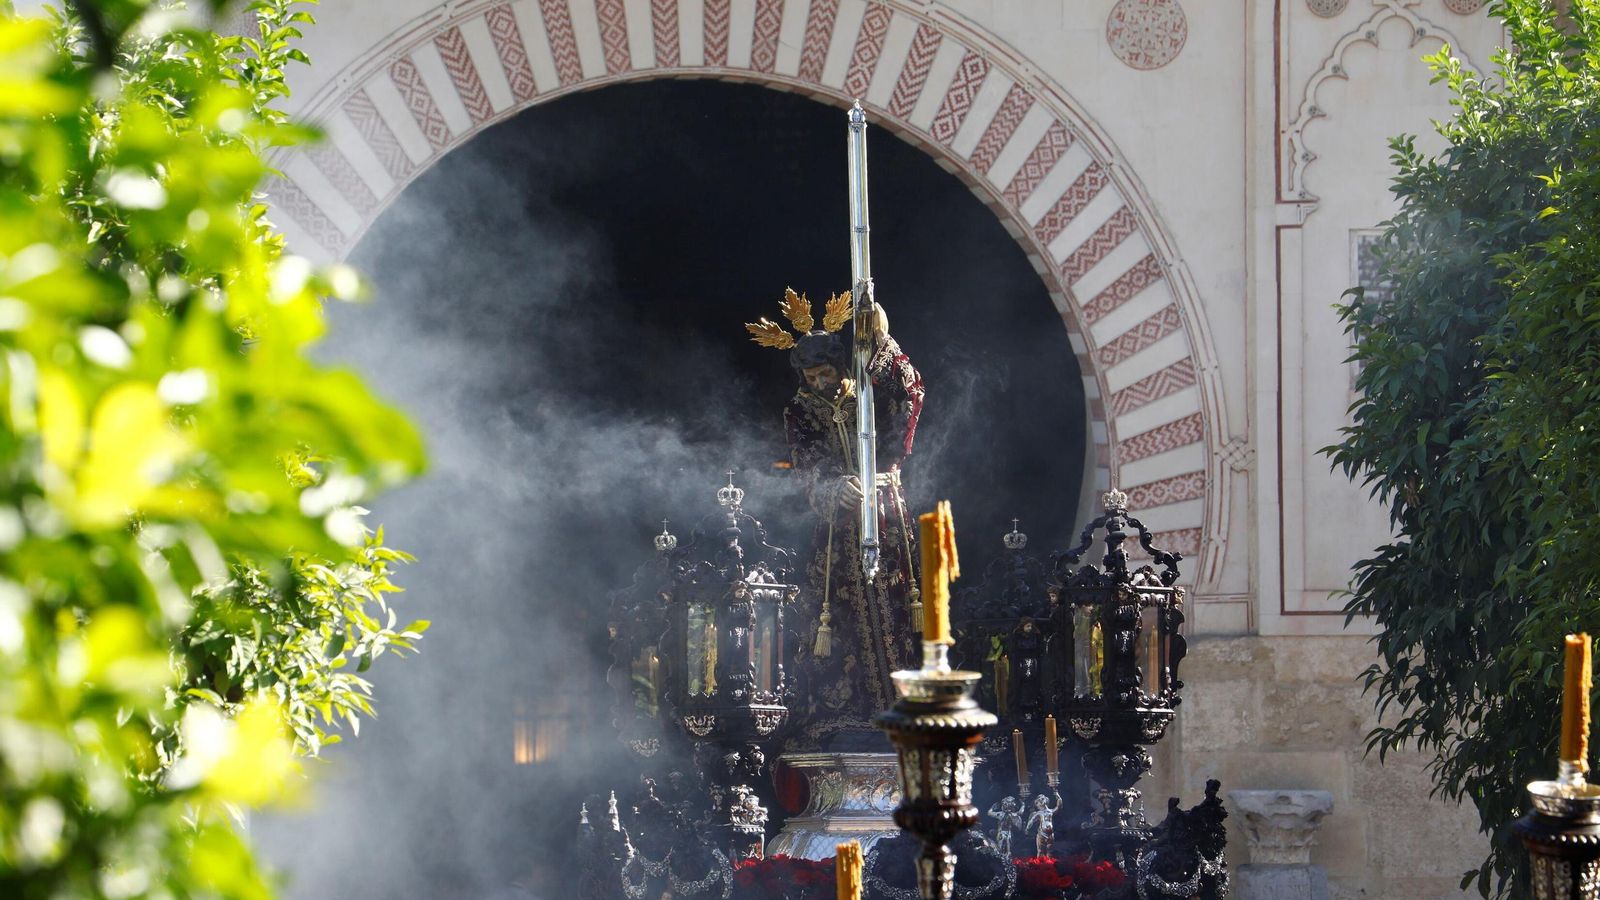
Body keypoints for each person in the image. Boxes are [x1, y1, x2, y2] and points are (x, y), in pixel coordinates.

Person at [745, 288, 925, 747]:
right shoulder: (800, 411)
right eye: (811, 376)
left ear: (840, 367)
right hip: (839, 526)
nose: (820, 383)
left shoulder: (869, 390)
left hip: (886, 513)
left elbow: (909, 397)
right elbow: (807, 463)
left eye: (825, 373)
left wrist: (884, 341)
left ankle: (908, 702)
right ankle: (854, 714)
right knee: (839, 614)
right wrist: (830, 488)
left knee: (901, 603)